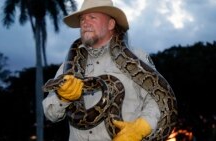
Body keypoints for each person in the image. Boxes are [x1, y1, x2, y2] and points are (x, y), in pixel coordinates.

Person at [42, 0, 172, 141]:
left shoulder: (137, 56)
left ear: (111, 24)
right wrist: (62, 98)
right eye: (82, 19)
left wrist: (143, 126)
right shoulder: (68, 65)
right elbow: (50, 114)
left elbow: (158, 101)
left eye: (92, 17)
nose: (85, 23)